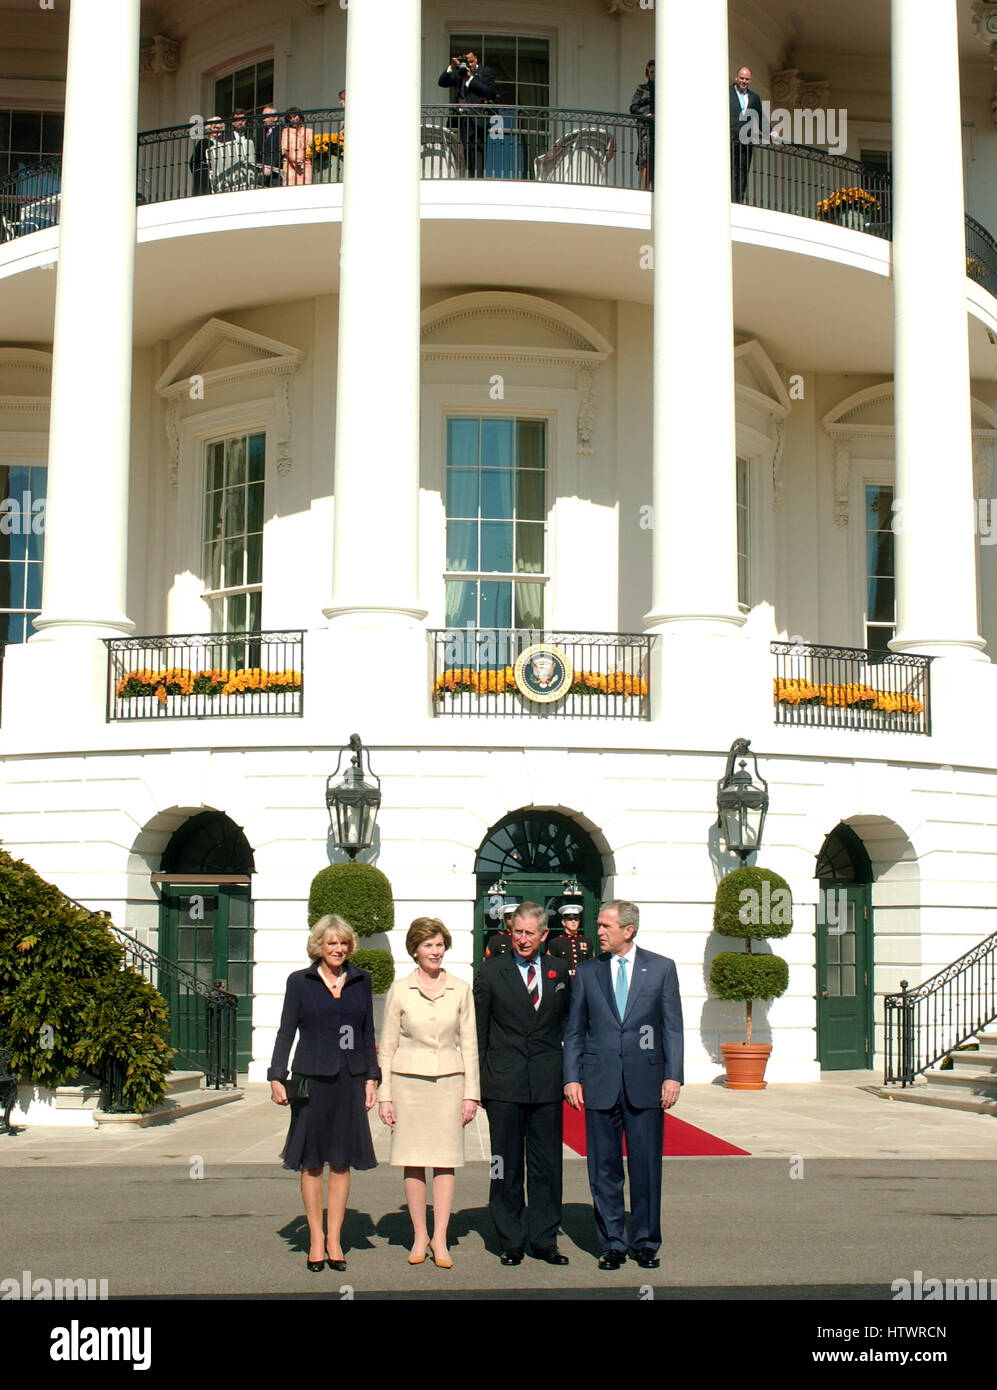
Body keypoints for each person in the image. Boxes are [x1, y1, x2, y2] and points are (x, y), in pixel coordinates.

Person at [563, 899, 683, 1271]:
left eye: (605, 926)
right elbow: (575, 1030)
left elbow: (672, 1027)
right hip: (599, 1083)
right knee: (604, 1168)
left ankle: (645, 1242)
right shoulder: (587, 972)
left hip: (646, 1081)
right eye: (598, 925)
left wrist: (673, 1075)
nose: (598, 931)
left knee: (646, 1166)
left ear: (628, 930)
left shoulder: (661, 969)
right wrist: (571, 1077)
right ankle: (612, 1242)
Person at [268, 915, 379, 1272]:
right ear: (319, 945)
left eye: (343, 943)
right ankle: (316, 1237)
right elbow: (286, 1031)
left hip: (349, 1079)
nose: (338, 949)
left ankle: (335, 1239)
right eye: (331, 943)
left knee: (342, 1160)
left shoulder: (362, 980)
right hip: (308, 1079)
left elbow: (365, 1034)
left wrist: (371, 1078)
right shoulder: (299, 982)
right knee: (312, 1161)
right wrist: (275, 1076)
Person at [474, 902, 573, 1266]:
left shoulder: (560, 971)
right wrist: (479, 1084)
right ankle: (510, 1239)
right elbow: (478, 1032)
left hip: (547, 1082)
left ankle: (544, 1239)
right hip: (503, 1083)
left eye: (531, 933)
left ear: (544, 935)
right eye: (518, 932)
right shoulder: (491, 971)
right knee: (505, 1164)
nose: (523, 939)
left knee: (547, 1165)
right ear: (510, 932)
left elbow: (567, 1024)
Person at [378, 918, 479, 1268]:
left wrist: (472, 1094)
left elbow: (470, 1044)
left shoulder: (462, 989)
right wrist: (384, 1096)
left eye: (439, 945)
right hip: (408, 1084)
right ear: (415, 950)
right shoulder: (400, 989)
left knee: (446, 1159)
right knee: (413, 1158)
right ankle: (420, 1235)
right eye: (428, 946)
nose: (435, 952)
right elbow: (387, 1046)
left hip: (451, 1083)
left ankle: (440, 1237)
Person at [438, 51, 496, 178]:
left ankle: (477, 179)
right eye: (467, 62)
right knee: (460, 151)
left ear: (476, 59)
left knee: (476, 152)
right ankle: (462, 177)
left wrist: (470, 79)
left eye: (471, 61)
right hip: (460, 119)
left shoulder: (485, 72)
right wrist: (452, 67)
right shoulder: (460, 72)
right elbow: (442, 82)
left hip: (477, 119)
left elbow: (489, 92)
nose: (469, 65)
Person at [730, 66, 764, 204]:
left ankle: (738, 201)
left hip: (746, 141)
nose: (743, 81)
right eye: (742, 78)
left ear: (750, 80)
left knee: (742, 172)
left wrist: (771, 131)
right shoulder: (726, 92)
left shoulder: (754, 97)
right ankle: (728, 199)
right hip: (730, 138)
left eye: (746, 79)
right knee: (730, 170)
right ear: (736, 78)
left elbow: (760, 118)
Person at [547, 904, 593, 977]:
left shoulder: (587, 942)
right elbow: (550, 965)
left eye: (576, 919)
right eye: (570, 919)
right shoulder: (555, 942)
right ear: (563, 922)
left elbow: (592, 965)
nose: (573, 921)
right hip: (563, 982)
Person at [630, 59, 655, 191]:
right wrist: (645, 115)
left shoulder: (665, 90)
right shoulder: (642, 89)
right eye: (651, 72)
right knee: (646, 155)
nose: (653, 74)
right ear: (647, 73)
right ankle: (645, 188)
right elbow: (633, 107)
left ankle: (657, 187)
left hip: (659, 128)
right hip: (645, 125)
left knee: (659, 157)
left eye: (655, 72)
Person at [281, 106, 314, 185]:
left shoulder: (309, 131)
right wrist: (293, 160)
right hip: (290, 164)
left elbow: (310, 147)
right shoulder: (286, 131)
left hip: (305, 163)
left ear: (300, 117)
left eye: (295, 116)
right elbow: (284, 148)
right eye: (290, 118)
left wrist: (302, 159)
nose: (293, 119)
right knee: (290, 187)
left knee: (305, 186)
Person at [256, 104, 284, 186]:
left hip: (275, 174)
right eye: (263, 117)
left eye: (266, 117)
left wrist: (271, 167)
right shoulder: (264, 132)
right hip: (264, 174)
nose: (264, 119)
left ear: (275, 117)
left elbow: (280, 150)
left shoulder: (281, 130)